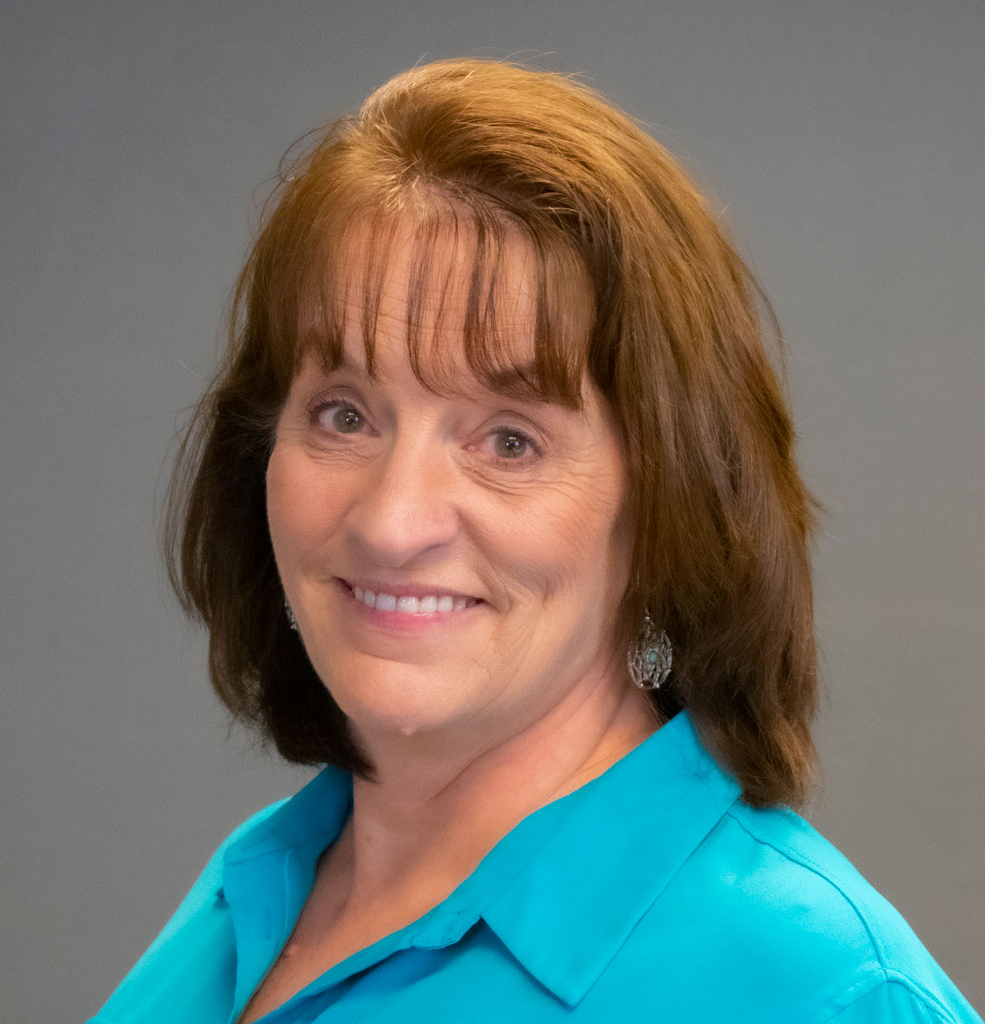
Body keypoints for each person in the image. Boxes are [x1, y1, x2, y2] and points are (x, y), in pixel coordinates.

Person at [90, 59, 981, 1023]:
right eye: (345, 415)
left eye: (509, 440)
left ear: (669, 507)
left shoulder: (819, 991)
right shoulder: (248, 894)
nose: (392, 522)